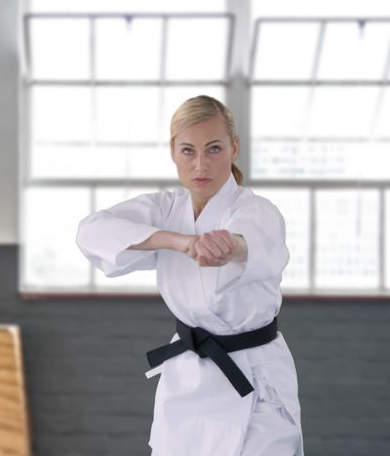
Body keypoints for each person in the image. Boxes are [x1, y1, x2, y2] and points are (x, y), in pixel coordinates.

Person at [75, 95, 304, 456]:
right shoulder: (165, 209)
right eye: (188, 151)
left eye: (214, 149)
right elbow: (91, 231)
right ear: (173, 151)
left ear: (234, 148)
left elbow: (252, 240)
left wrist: (227, 246)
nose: (201, 164)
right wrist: (178, 241)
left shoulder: (256, 209)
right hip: (188, 377)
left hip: (255, 378)